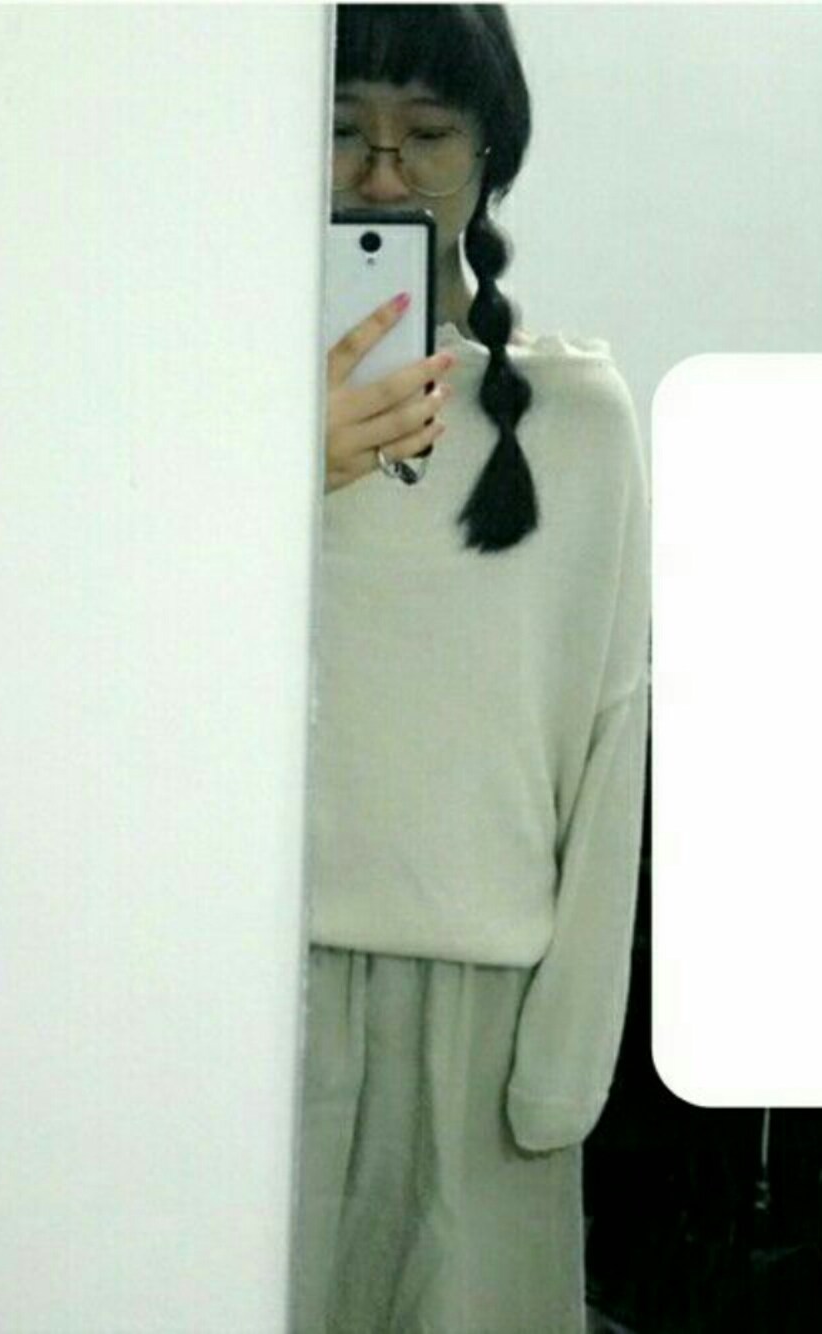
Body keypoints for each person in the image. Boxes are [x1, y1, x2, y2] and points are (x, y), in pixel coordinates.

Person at [292, 6, 650, 1331]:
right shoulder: (207, 424)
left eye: (428, 134)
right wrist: (285, 466)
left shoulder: (580, 424)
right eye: (343, 130)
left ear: (489, 154)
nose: (382, 175)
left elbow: (612, 747)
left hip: (487, 1032)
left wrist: (566, 1066)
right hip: (249, 1004)